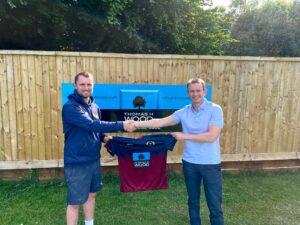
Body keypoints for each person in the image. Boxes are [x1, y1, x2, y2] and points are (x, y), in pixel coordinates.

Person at [134, 78, 224, 225]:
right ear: (188, 93)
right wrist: (136, 124)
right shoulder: (184, 112)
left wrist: (184, 136)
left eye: (198, 90)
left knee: (214, 204)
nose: (195, 94)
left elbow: (211, 136)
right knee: (193, 201)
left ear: (204, 92)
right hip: (190, 163)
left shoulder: (215, 109)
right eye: (192, 91)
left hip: (210, 164)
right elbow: (160, 122)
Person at [62, 71, 136, 225]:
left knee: (91, 195)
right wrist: (122, 124)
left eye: (89, 84)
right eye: (82, 84)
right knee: (75, 202)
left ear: (93, 86)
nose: (86, 87)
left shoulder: (95, 106)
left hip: (93, 159)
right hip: (77, 162)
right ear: (75, 86)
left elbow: (97, 129)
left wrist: (104, 137)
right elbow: (91, 125)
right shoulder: (70, 107)